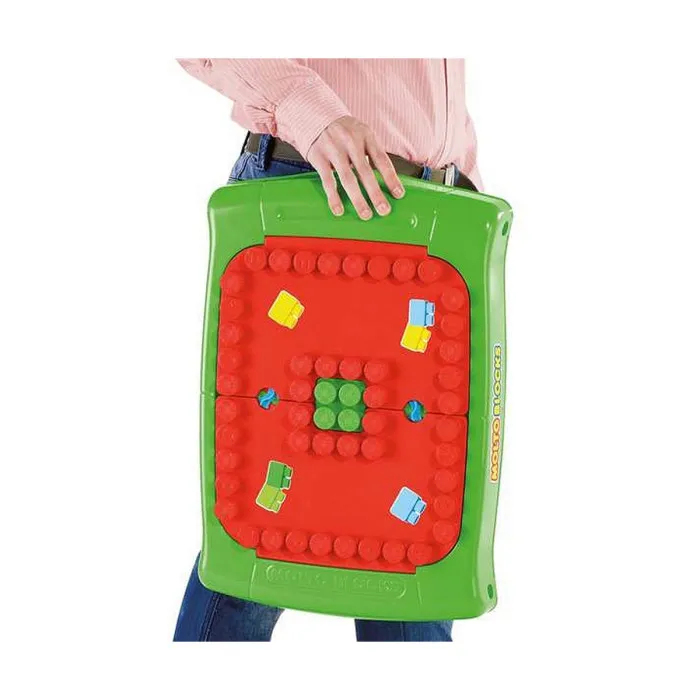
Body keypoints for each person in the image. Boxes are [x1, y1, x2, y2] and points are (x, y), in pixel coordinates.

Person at [174, 59, 481, 642]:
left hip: (435, 212)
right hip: (315, 188)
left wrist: (458, 178)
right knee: (266, 533)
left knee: (409, 535)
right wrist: (310, 113)